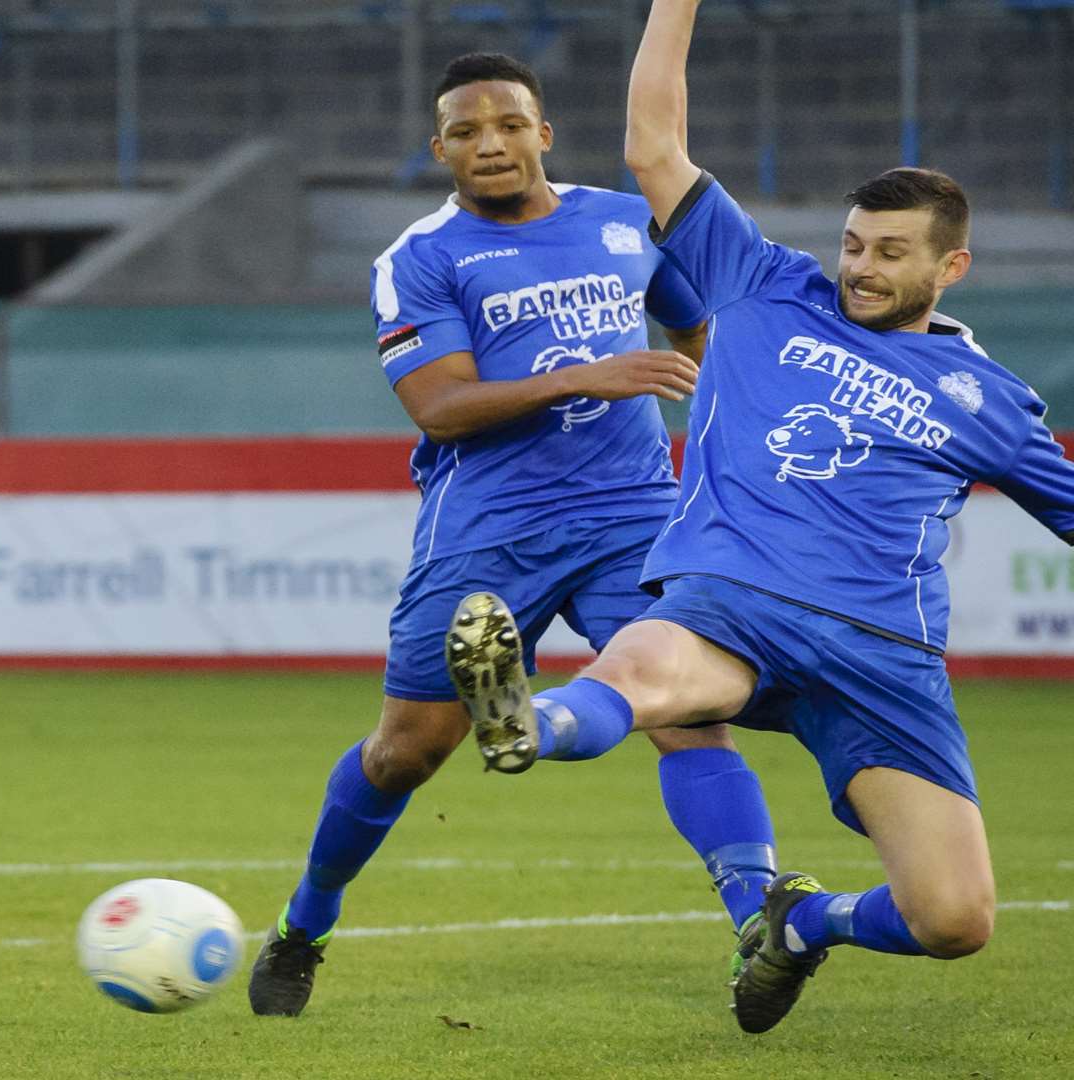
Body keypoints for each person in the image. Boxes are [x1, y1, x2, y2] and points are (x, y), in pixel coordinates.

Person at [446, 0, 1074, 1035]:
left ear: (949, 268)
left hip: (883, 656)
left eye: (890, 253)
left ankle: (800, 924)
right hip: (734, 600)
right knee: (645, 677)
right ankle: (527, 718)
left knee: (956, 918)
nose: (862, 267)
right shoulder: (763, 282)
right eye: (855, 243)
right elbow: (654, 142)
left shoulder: (986, 397)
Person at [247, 52, 786, 1018]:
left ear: (543, 133)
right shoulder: (421, 257)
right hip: (490, 524)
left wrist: (710, 422)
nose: (489, 143)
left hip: (632, 513)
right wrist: (587, 375)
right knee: (407, 752)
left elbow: (698, 337)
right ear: (440, 150)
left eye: (507, 124)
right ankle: (304, 923)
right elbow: (442, 408)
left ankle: (761, 930)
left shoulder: (626, 222)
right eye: (465, 131)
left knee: (685, 712)